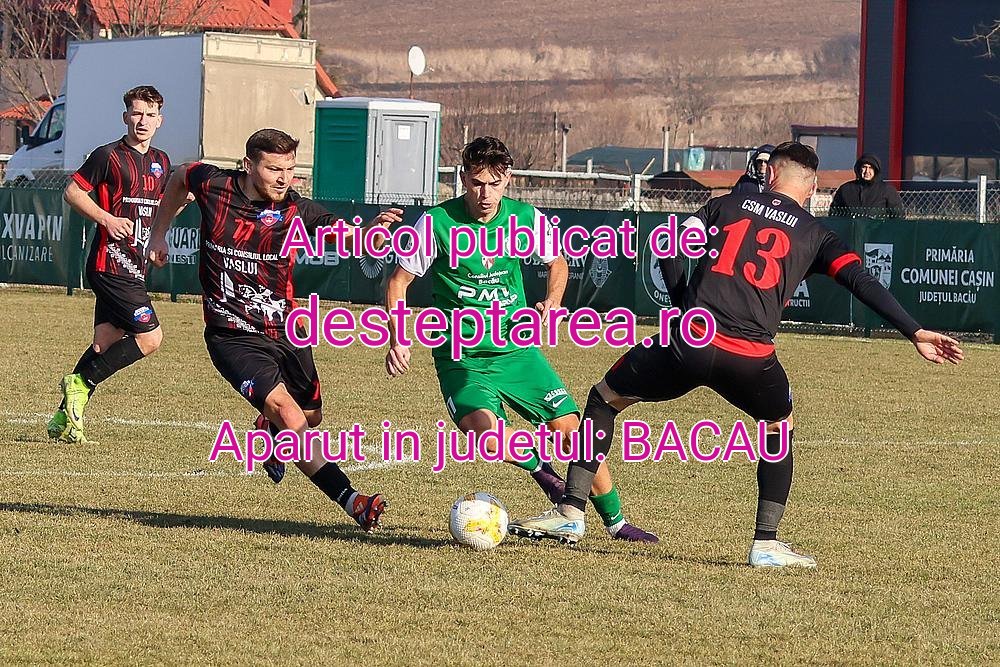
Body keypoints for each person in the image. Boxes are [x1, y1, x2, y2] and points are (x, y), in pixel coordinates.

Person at [509, 142, 963, 566]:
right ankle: (765, 543)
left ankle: (571, 511)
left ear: (770, 175)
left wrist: (682, 305)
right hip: (750, 357)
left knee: (605, 398)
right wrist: (914, 330)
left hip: (688, 341)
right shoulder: (816, 234)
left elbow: (666, 245)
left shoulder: (724, 205)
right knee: (778, 425)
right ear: (811, 187)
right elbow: (862, 281)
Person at [384, 136, 657, 542]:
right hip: (461, 357)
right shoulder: (437, 223)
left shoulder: (524, 218)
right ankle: (545, 474)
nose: (485, 194)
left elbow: (558, 261)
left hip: (516, 350)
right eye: (477, 183)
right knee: (485, 435)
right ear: (463, 178)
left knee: (574, 431)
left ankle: (616, 523)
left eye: (494, 184)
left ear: (508, 179)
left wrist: (553, 300)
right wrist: (398, 338)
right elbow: (398, 282)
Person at [147, 128, 402, 533]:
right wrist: (159, 232)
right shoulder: (213, 185)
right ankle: (353, 501)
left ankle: (268, 429)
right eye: (274, 169)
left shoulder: (297, 209)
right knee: (288, 413)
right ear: (248, 165)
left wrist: (371, 233)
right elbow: (180, 176)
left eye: (290, 169)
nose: (284, 179)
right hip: (231, 335)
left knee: (311, 417)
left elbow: (346, 235)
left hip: (286, 331)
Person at [48, 85, 179, 444]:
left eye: (150, 115)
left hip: (136, 265)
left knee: (103, 344)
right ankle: (79, 383)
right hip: (109, 263)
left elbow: (166, 204)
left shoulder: (162, 161)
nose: (143, 121)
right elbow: (72, 192)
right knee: (150, 338)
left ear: (160, 121)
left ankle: (64, 417)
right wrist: (106, 218)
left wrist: (159, 237)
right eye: (136, 113)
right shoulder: (108, 155)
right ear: (125, 117)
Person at [829, 153, 905, 219]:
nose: (867, 171)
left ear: (875, 170)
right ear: (859, 169)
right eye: (864, 167)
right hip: (851, 229)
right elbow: (834, 213)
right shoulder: (846, 189)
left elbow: (898, 215)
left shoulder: (887, 190)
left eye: (870, 168)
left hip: (877, 229)